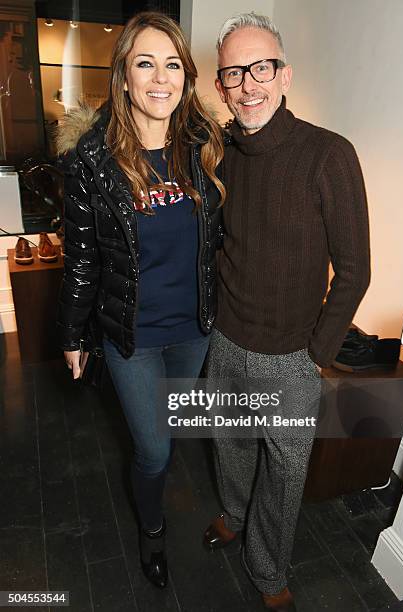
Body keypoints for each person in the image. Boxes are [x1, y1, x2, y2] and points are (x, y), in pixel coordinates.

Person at [203, 12, 370, 612]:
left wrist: (314, 356)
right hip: (225, 341)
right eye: (232, 73)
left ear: (284, 74)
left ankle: (267, 567)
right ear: (220, 85)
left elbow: (354, 271)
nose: (247, 83)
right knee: (229, 443)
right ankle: (232, 513)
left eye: (260, 68)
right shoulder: (219, 153)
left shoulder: (330, 154)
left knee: (284, 473)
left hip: (291, 358)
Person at [56, 11, 224, 590]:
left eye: (172, 64)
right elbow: (81, 259)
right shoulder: (91, 162)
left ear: (186, 76)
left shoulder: (204, 148)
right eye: (145, 63)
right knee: (153, 452)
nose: (160, 78)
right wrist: (73, 335)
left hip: (194, 331)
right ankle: (151, 529)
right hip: (131, 336)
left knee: (171, 431)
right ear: (123, 75)